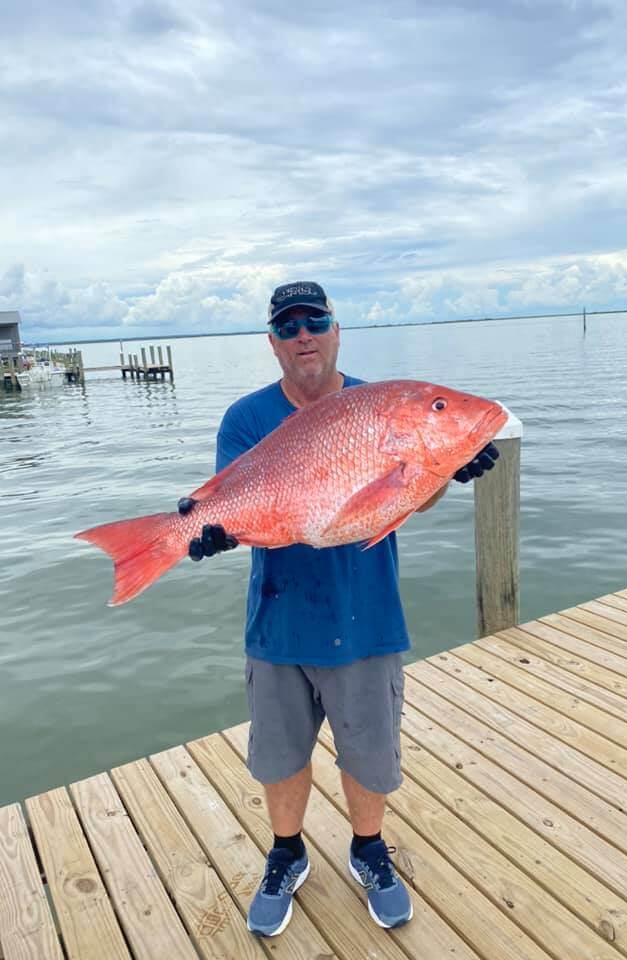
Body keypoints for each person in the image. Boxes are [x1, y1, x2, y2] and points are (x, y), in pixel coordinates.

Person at [180, 281, 499, 938]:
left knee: (370, 752)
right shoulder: (245, 419)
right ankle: (286, 851)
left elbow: (398, 502)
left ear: (336, 330)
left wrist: (445, 471)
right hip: (279, 621)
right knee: (280, 754)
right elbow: (230, 502)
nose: (303, 335)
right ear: (273, 342)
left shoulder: (381, 407)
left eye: (314, 321)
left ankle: (369, 849)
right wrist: (210, 529)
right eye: (288, 326)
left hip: (368, 615)